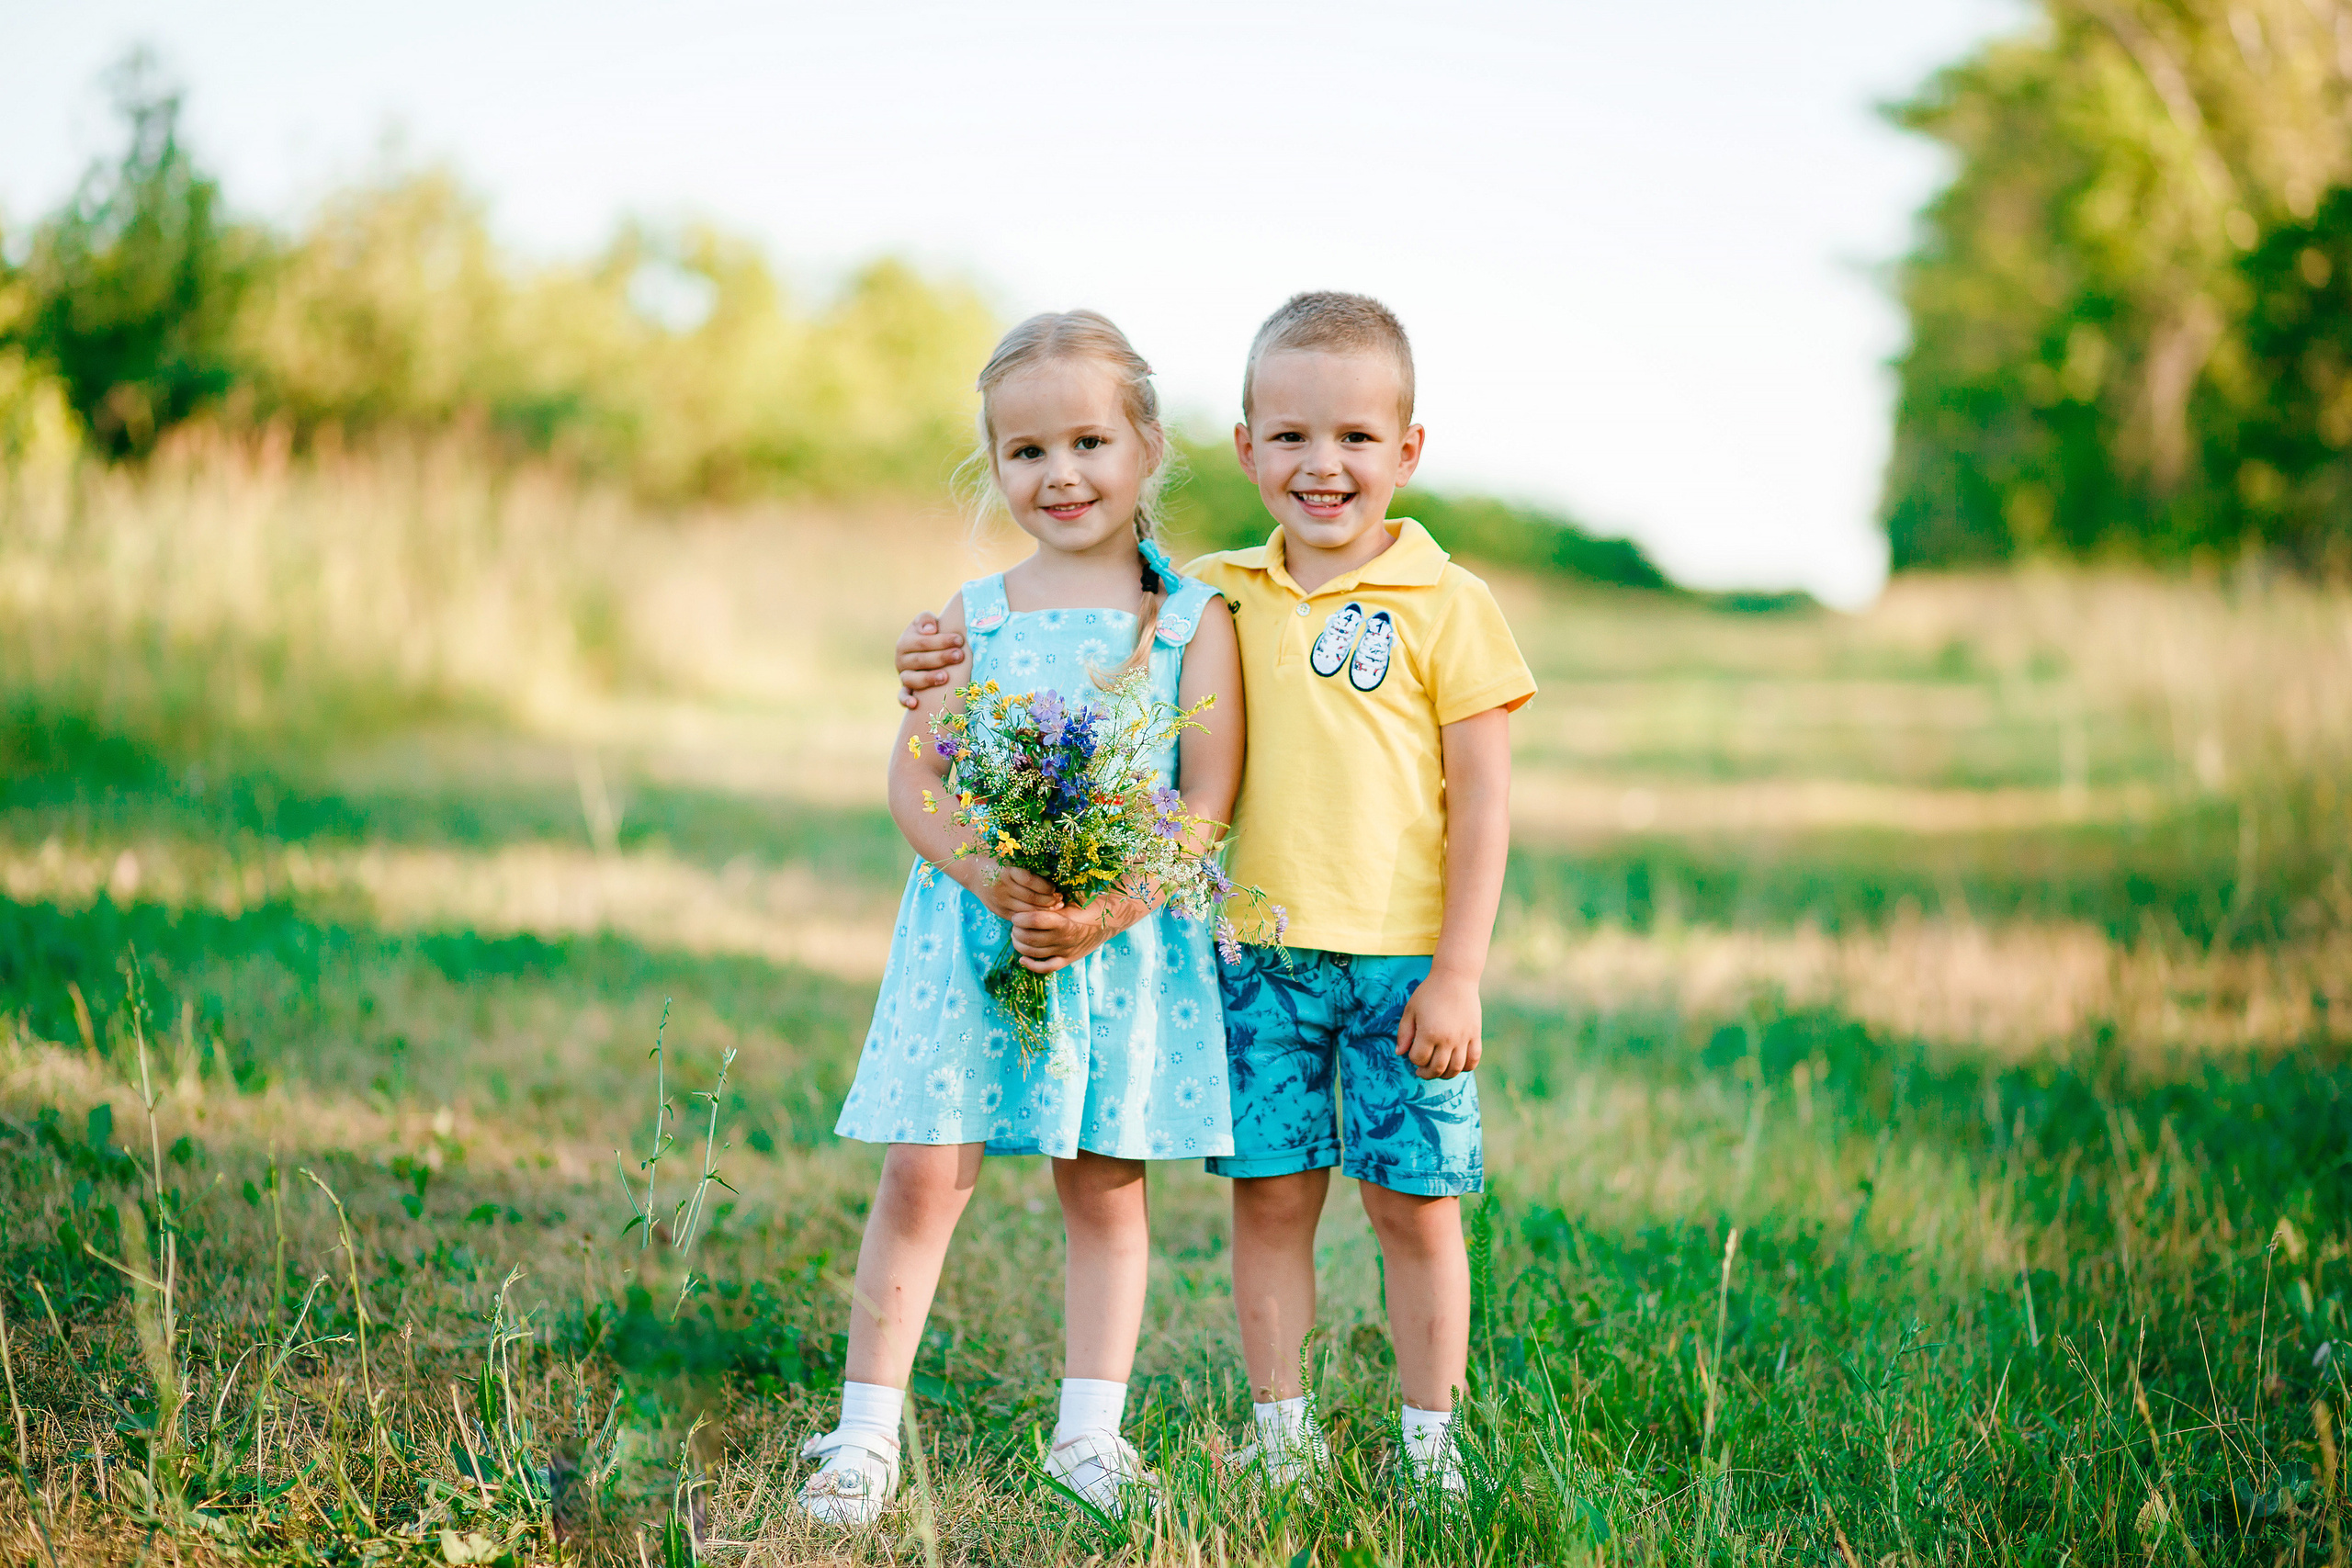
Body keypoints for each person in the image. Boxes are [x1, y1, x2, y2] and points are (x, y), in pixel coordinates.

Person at [896, 292, 1533, 1495]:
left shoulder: (1454, 605)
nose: (1322, 464)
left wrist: (1459, 974)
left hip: (1404, 966)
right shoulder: (1211, 593)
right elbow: (1070, 585)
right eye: (1289, 436)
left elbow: (1486, 806)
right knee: (1273, 1206)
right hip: (1256, 958)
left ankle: (1432, 1448)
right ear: (1244, 448)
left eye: (1354, 437)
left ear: (1409, 450)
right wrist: (928, 654)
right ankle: (1285, 1443)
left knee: (1417, 1209)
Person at [801, 310, 1244, 1525]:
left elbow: (1205, 803)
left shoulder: (1197, 623)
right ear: (994, 467)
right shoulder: (971, 618)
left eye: (1090, 442)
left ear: (1148, 445)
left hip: (1114, 939)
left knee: (1103, 1182)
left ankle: (1088, 1436)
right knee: (923, 1174)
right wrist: (983, 875)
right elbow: (918, 777)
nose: (1060, 476)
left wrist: (1106, 909)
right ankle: (865, 1435)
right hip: (971, 936)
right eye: (1026, 453)